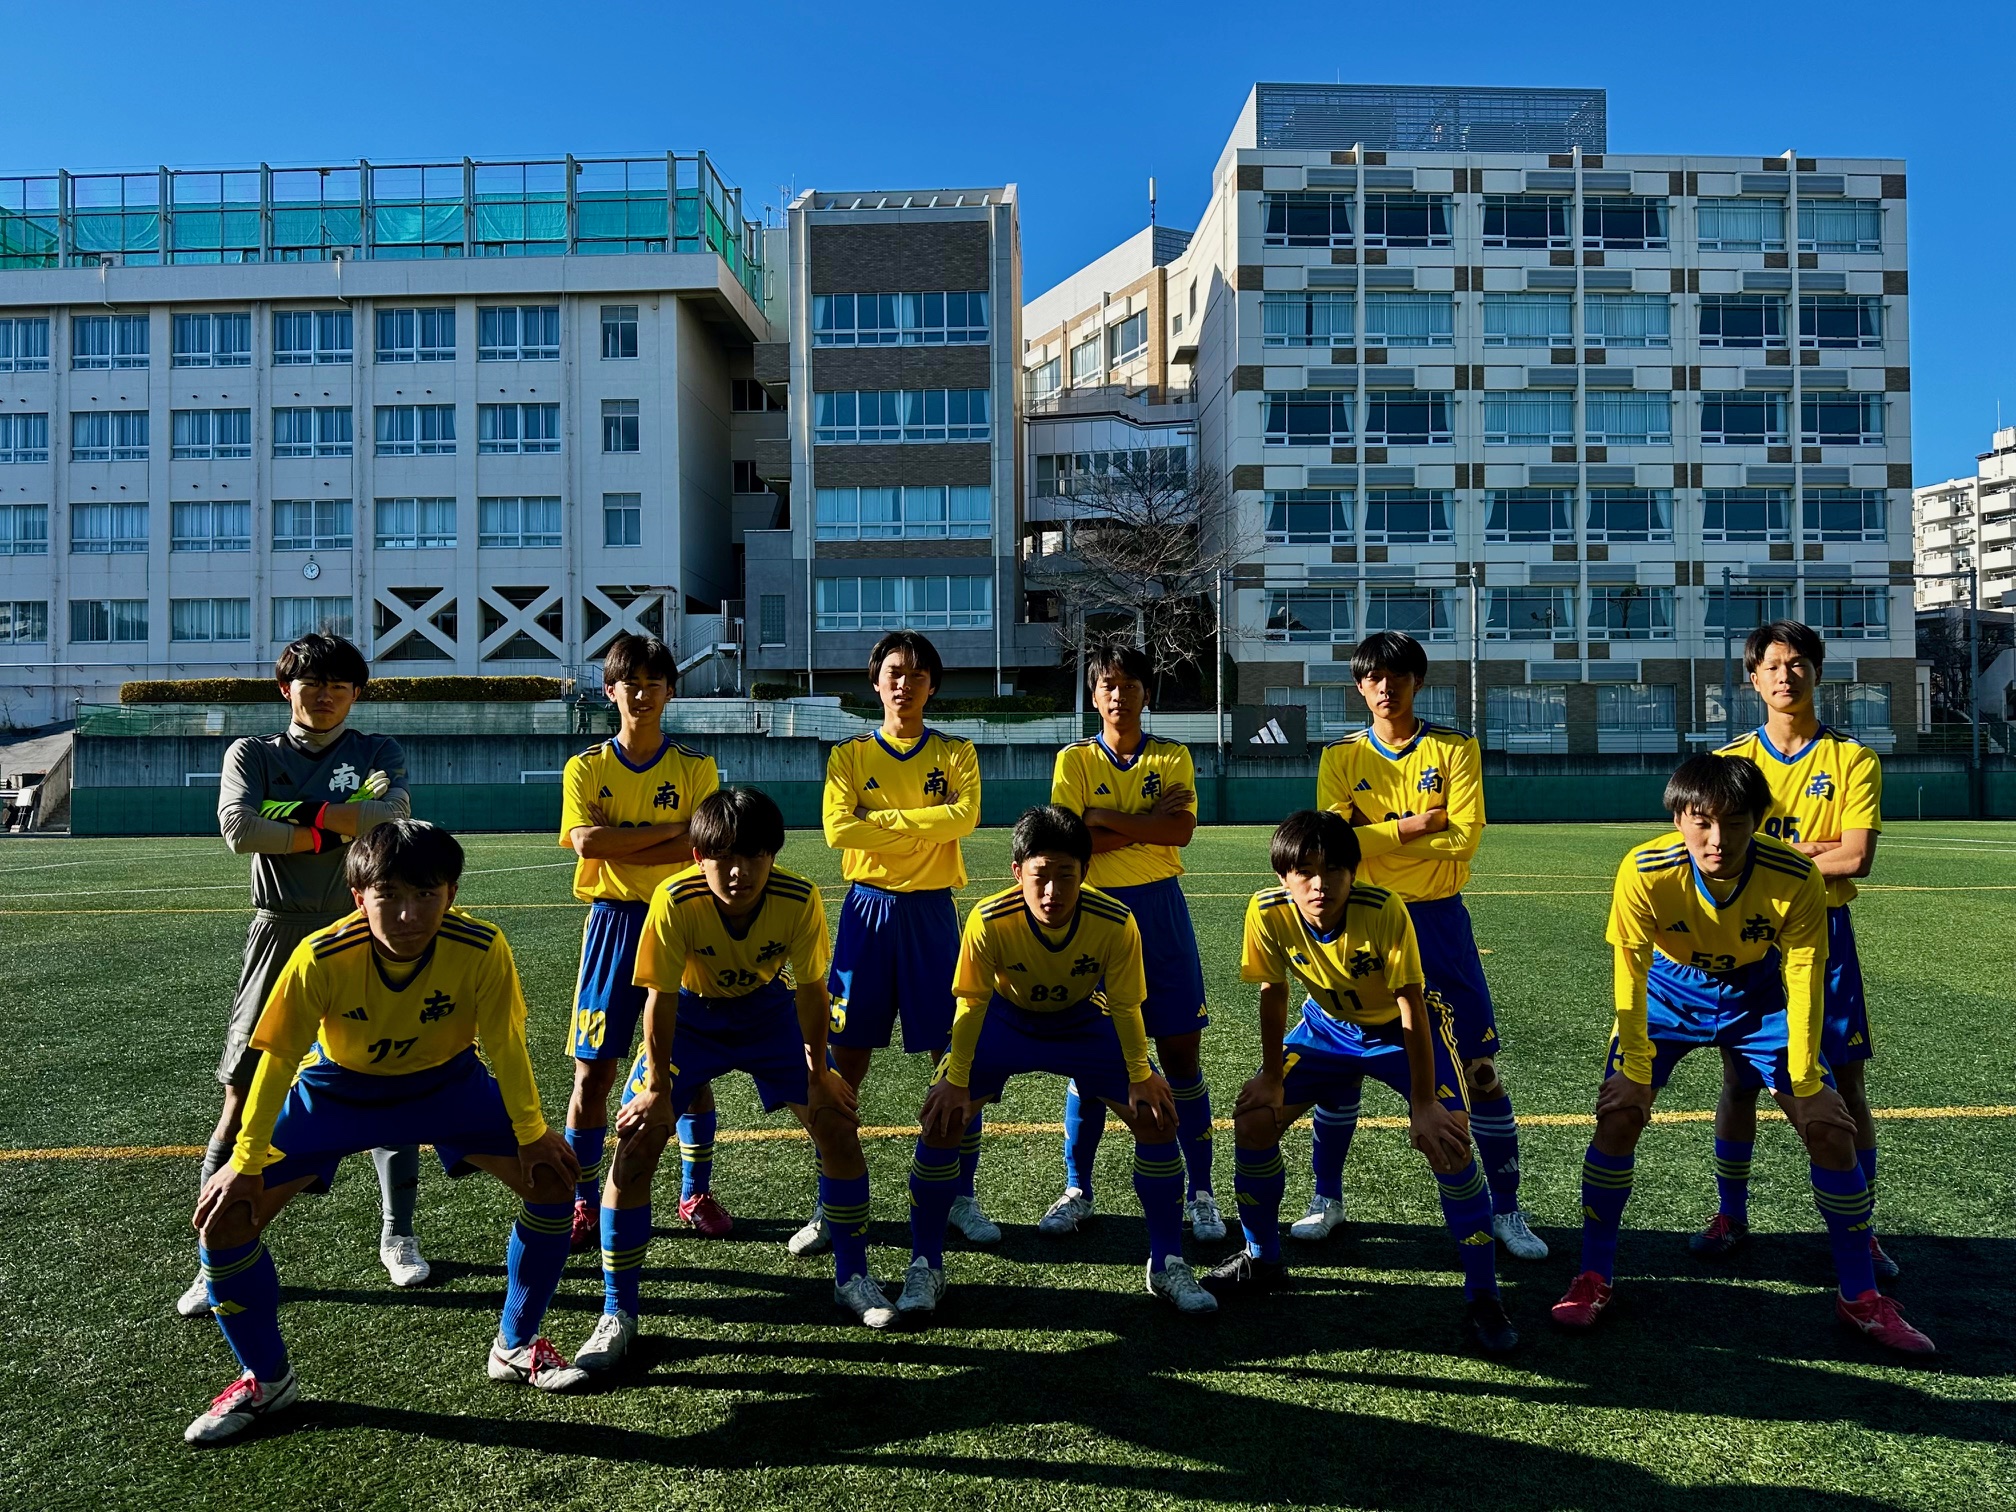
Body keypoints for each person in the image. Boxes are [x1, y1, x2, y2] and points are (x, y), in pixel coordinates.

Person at [181, 821, 589, 1445]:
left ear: (451, 894)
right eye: (389, 895)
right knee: (226, 1220)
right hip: (337, 1091)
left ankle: (516, 1344)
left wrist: (532, 1134)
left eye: (426, 894)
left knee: (553, 1183)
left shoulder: (482, 946)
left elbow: (506, 1044)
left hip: (447, 1083)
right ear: (358, 897)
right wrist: (245, 1159)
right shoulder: (320, 955)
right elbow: (279, 1060)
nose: (408, 913)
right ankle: (267, 1380)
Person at [1550, 754, 1933, 1354]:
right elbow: (1630, 969)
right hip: (1666, 996)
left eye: (1734, 823)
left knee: (1830, 1127)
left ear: (1757, 820)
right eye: (1701, 822)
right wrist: (1635, 1070)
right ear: (1678, 818)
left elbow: (1804, 975)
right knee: (1619, 1114)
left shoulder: (1795, 875)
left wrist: (1807, 1081)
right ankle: (1593, 1276)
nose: (1717, 839)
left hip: (1759, 998)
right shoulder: (1643, 869)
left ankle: (1859, 1295)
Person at [575, 786, 894, 1369]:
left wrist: (819, 1071)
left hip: (766, 1014)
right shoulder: (675, 898)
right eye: (723, 857)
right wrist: (657, 1089)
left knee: (837, 1125)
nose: (739, 871)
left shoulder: (799, 897)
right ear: (699, 856)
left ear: (774, 855)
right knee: (636, 1145)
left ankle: (853, 1276)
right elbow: (659, 1000)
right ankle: (617, 1310)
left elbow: (811, 991)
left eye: (753, 856)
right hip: (692, 1019)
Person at [1201, 809, 1517, 1353]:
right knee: (1253, 1119)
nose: (1319, 884)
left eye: (1334, 870)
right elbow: (1273, 992)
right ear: (1282, 877)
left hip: (1401, 1031)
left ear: (1354, 872)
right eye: (1304, 871)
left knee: (1449, 1141)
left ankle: (1484, 1296)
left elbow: (1412, 1003)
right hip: (1326, 1029)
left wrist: (1424, 1103)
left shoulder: (1383, 908)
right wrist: (1272, 1076)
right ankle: (1262, 1258)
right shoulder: (1266, 910)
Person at [178, 633, 423, 1321]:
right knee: (243, 1091)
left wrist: (290, 813)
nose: (324, 695)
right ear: (286, 688)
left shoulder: (376, 752)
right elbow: (239, 829)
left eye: (339, 684)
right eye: (311, 682)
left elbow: (389, 818)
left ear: (356, 693)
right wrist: (331, 826)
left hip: (361, 934)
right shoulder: (252, 754)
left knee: (388, 1080)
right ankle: (215, 1256)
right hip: (280, 934)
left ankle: (399, 1235)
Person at [895, 805, 1217, 1320]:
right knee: (941, 1119)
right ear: (1016, 872)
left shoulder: (1115, 920)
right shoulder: (989, 919)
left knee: (1156, 1117)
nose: (1052, 892)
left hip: (1083, 1020)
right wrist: (955, 1080)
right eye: (1040, 876)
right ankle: (925, 1265)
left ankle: (1166, 1262)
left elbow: (1127, 1004)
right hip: (1006, 1020)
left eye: (1066, 876)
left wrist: (1141, 1074)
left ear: (1085, 873)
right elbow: (971, 1003)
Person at [1309, 631, 1545, 1261]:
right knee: (1339, 1068)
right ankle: (1326, 1198)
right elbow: (1334, 846)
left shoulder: (1454, 748)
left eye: (1397, 676)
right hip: (1362, 920)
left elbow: (1464, 842)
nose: (1385, 687)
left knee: (1480, 1070)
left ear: (1418, 681)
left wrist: (1375, 839)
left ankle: (1507, 1209)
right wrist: (1419, 823)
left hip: (1438, 923)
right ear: (1360, 687)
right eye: (1373, 678)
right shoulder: (1341, 757)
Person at [1700, 621, 1893, 1277]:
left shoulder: (1852, 760)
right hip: (1748, 936)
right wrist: (1813, 851)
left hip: (1824, 933)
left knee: (1846, 1080)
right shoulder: (1731, 764)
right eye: (1773, 665)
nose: (1787, 675)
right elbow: (1718, 859)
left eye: (1799, 662)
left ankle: (1861, 1228)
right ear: (1753, 679)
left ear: (1817, 671)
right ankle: (1731, 1213)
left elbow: (1857, 857)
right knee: (1739, 1079)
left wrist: (1774, 854)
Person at [801, 630, 994, 1256]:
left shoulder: (956, 751)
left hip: (933, 914)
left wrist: (880, 820)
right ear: (875, 681)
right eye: (894, 672)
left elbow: (964, 817)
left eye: (916, 674)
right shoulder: (850, 755)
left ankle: (961, 1195)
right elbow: (838, 830)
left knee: (953, 1056)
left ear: (932, 686)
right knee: (845, 1059)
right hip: (867, 912)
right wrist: (923, 827)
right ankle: (831, 1201)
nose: (904, 683)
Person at [1042, 644, 1222, 1242]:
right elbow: (1069, 846)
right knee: (1090, 1057)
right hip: (1094, 915)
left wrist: (1102, 818)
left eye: (1130, 683)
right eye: (1108, 685)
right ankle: (1078, 1188)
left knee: (1181, 1055)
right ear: (1094, 696)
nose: (1119, 694)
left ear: (1147, 692)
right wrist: (1144, 826)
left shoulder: (1172, 755)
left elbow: (1182, 831)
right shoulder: (1073, 761)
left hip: (1161, 910)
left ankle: (1201, 1193)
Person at [557, 633, 722, 1251]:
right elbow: (585, 844)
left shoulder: (696, 767)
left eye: (655, 683)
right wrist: (670, 833)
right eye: (631, 683)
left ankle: (695, 1191)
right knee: (593, 1071)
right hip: (612, 923)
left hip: (681, 920)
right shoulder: (586, 767)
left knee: (689, 1068)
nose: (643, 694)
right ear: (610, 690)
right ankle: (580, 1199)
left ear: (671, 692)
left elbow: (700, 846)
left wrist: (622, 840)